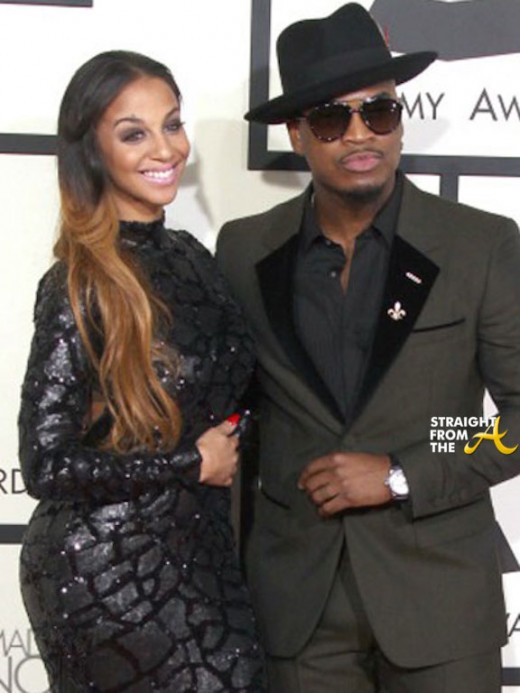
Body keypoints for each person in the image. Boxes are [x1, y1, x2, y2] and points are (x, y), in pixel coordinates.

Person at [216, 4, 520, 692]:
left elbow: (513, 417)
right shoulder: (243, 249)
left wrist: (402, 472)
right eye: (331, 118)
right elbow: (236, 412)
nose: (360, 135)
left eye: (378, 111)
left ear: (400, 121)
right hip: (297, 605)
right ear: (297, 134)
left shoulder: (480, 244)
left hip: (439, 601)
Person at [18, 50, 265, 692]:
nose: (165, 148)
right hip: (105, 567)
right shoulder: (80, 281)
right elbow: (45, 463)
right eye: (134, 133)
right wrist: (189, 463)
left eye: (172, 124)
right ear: (93, 152)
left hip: (196, 544)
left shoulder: (190, 254)